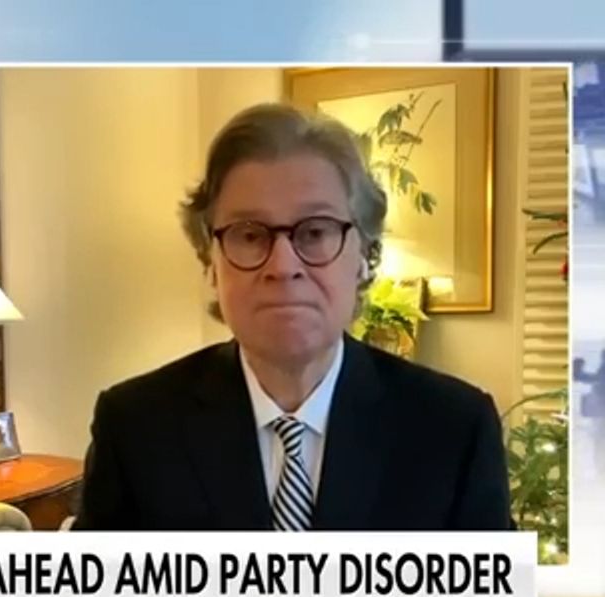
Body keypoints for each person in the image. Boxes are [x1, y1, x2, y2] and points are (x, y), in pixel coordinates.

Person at [73, 103, 511, 531]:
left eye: (315, 232)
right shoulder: (134, 426)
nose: (283, 266)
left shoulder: (455, 429)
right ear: (211, 262)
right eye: (249, 235)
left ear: (364, 257)